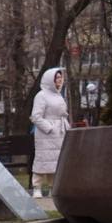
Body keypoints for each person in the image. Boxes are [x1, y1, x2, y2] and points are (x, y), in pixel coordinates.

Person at [30, 67, 69, 199]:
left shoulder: (59, 95)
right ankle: (37, 187)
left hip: (60, 132)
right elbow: (35, 116)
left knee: (55, 161)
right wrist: (49, 128)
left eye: (60, 77)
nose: (59, 80)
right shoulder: (41, 95)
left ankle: (54, 188)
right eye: (57, 78)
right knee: (42, 160)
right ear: (50, 80)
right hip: (46, 134)